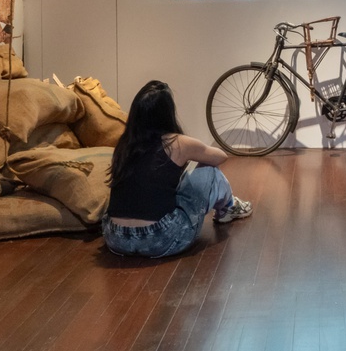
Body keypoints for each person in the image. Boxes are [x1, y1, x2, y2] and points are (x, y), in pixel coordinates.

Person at [103, 80, 252, 258]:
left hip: (116, 238)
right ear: (167, 113)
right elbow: (220, 156)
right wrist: (191, 151)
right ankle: (228, 208)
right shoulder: (176, 143)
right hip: (161, 239)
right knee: (209, 171)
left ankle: (229, 206)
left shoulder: (124, 144)